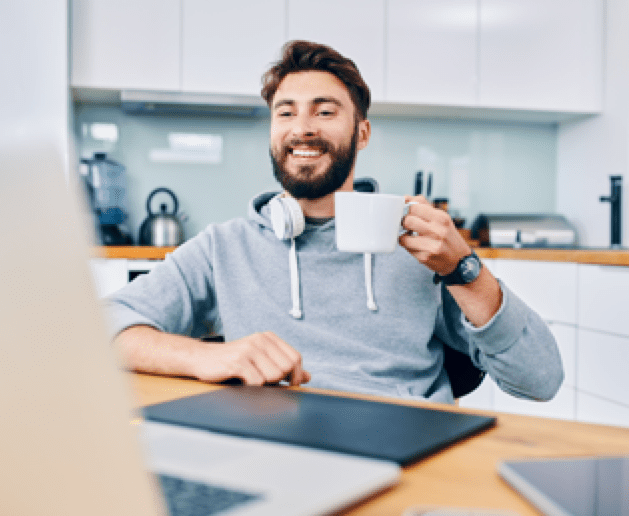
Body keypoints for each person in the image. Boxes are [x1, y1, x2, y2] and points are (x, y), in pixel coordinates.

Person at [105, 40, 563, 405]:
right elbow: (99, 328)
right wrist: (207, 356)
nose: (303, 128)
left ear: (361, 133)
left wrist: (464, 269)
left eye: (324, 111)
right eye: (286, 112)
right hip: (278, 445)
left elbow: (540, 380)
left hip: (409, 445)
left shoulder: (423, 248)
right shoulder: (224, 248)